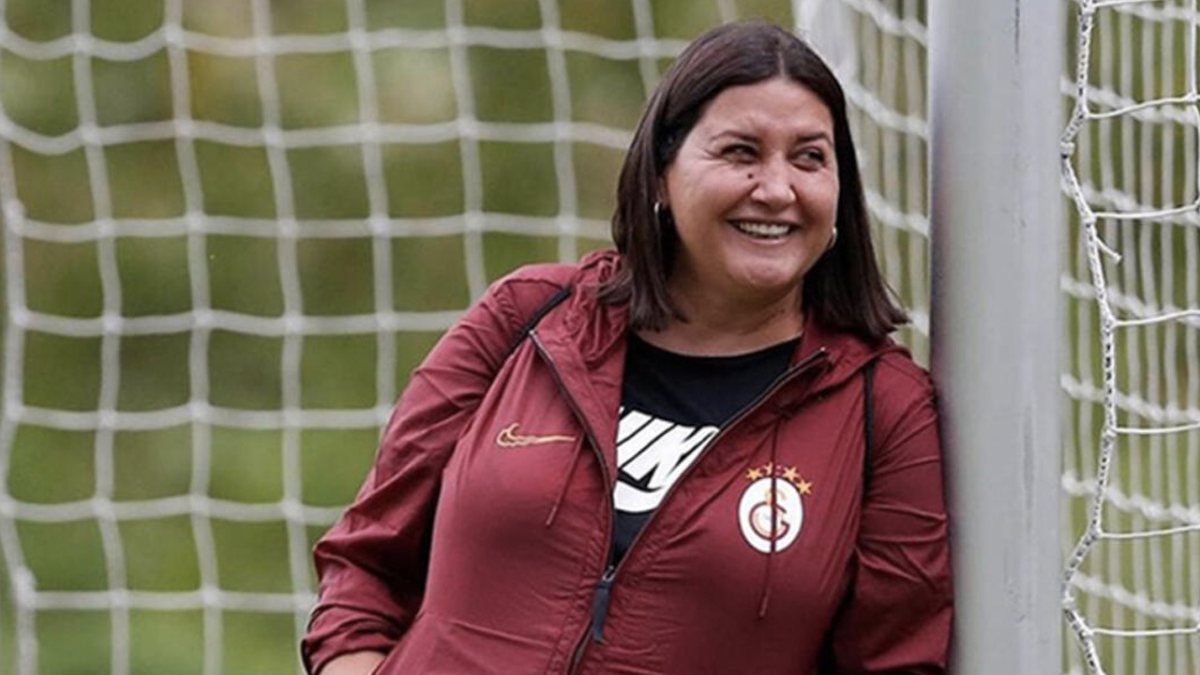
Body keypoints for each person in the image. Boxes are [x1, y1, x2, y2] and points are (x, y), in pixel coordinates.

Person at [302, 20, 952, 675]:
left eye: (809, 158)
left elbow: (896, 662)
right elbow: (365, 564)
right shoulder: (528, 316)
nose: (777, 189)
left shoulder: (883, 408)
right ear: (661, 175)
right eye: (740, 152)